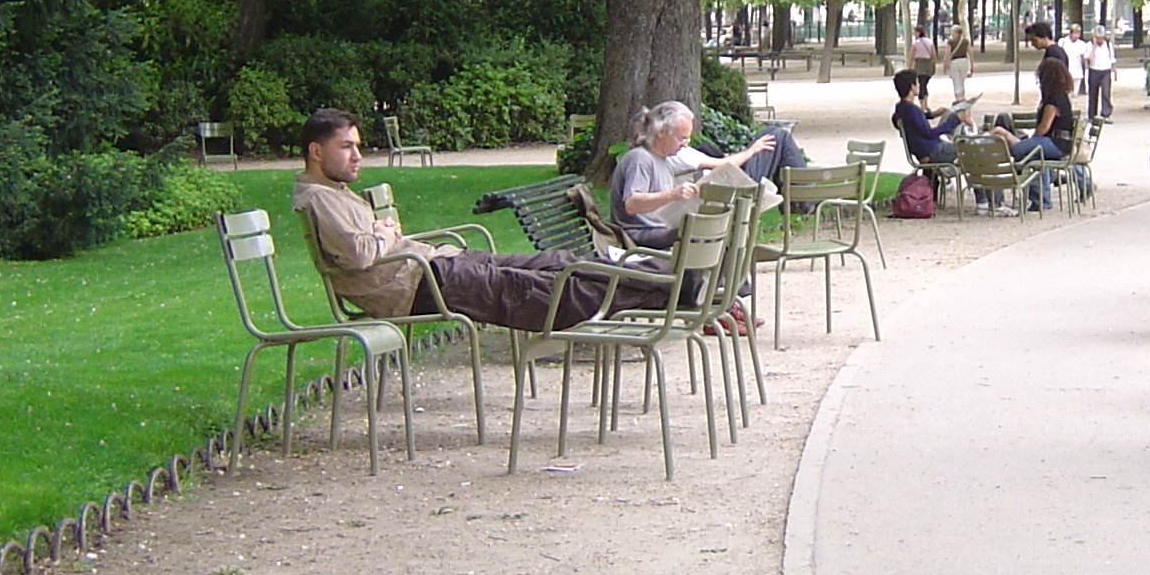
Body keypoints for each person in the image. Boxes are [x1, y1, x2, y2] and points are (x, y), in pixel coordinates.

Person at [290, 110, 669, 331]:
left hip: (434, 267)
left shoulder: (334, 191)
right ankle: (673, 290)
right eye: (347, 147)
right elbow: (359, 257)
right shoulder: (319, 199)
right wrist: (384, 233)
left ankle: (669, 278)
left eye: (357, 146)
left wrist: (382, 234)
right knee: (546, 291)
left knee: (558, 263)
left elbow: (369, 245)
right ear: (316, 152)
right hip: (419, 285)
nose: (358, 155)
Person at [609, 101, 797, 250]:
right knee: (709, 232)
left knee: (723, 227)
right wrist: (673, 195)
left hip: (659, 228)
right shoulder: (640, 158)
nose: (686, 143)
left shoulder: (662, 159)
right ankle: (717, 292)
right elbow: (632, 204)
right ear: (661, 133)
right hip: (642, 234)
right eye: (682, 138)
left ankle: (726, 291)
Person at [995, 52, 1075, 209]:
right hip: (1061, 142)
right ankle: (1040, 200)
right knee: (1035, 159)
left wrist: (1032, 140)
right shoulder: (1062, 96)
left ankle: (1004, 134)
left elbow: (1044, 127)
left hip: (1055, 142)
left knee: (1016, 150)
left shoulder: (1053, 100)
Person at [1085, 28, 1117, 121]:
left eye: (1102, 38)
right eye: (1098, 38)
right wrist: (1094, 46)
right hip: (1094, 70)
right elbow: (1089, 58)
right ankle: (1092, 115)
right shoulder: (1089, 45)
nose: (1100, 40)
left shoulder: (1108, 45)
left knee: (1106, 92)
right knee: (1093, 93)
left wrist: (1114, 69)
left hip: (1105, 70)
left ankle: (1106, 114)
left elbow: (1111, 58)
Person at [944, 24, 972, 102]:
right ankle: (962, 97)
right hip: (964, 61)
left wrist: (945, 66)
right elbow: (970, 53)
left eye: (953, 32)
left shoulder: (950, 42)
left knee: (956, 81)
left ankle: (958, 99)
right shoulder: (965, 41)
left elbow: (947, 54)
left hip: (954, 62)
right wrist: (971, 65)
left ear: (956, 33)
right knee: (962, 81)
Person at [908, 25, 935, 98]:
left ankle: (923, 102)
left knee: (921, 83)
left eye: (915, 32)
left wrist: (909, 67)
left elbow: (912, 56)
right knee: (924, 83)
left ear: (918, 33)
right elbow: (933, 54)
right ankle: (925, 103)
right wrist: (932, 64)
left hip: (919, 64)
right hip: (928, 64)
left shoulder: (916, 43)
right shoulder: (930, 42)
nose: (914, 34)